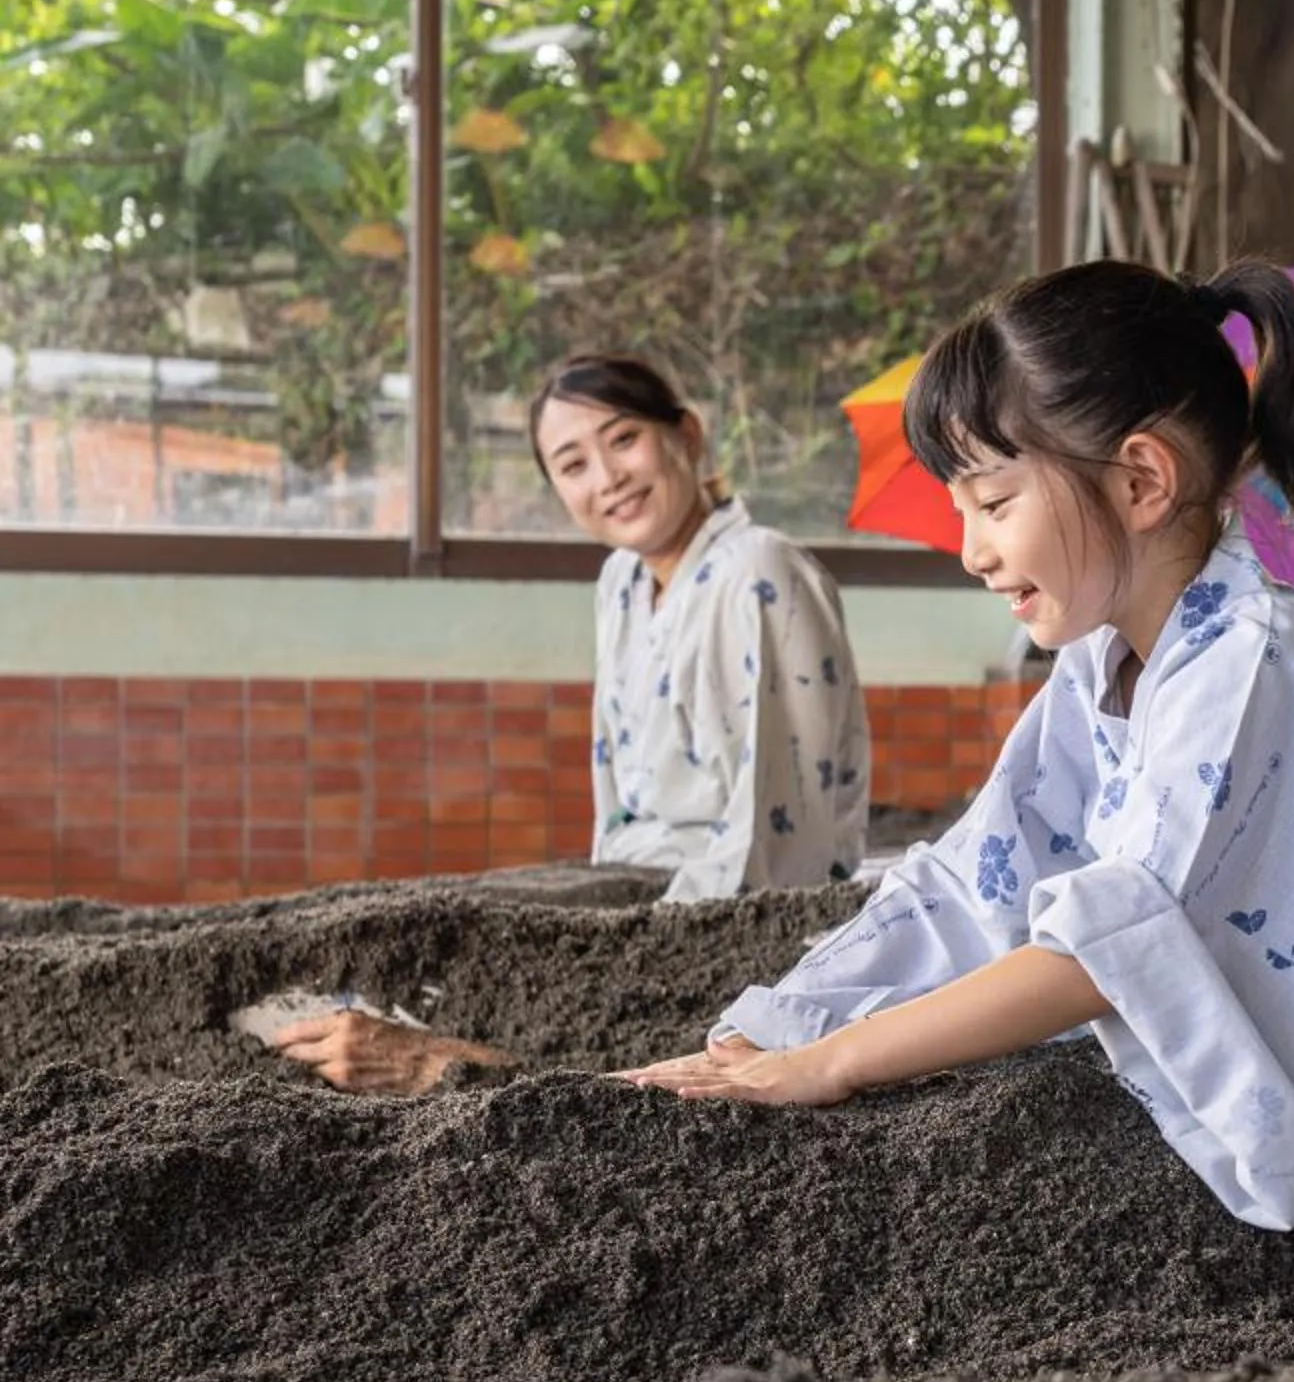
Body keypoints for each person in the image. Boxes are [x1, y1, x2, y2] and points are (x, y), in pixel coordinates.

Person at [617, 260, 1294, 1233]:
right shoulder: (1101, 659)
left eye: (994, 503)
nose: (972, 550)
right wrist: (785, 1021)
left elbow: (1103, 950)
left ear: (1141, 480)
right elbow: (981, 873)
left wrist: (833, 1061)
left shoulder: (1254, 656)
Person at [272, 352, 872, 1096]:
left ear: (686, 435)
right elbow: (615, 794)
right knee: (407, 925)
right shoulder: (622, 582)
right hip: (635, 893)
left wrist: (629, 954)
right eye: (573, 464)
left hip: (726, 926)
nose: (608, 477)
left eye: (624, 440)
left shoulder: (759, 571)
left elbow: (782, 844)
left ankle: (464, 1071)